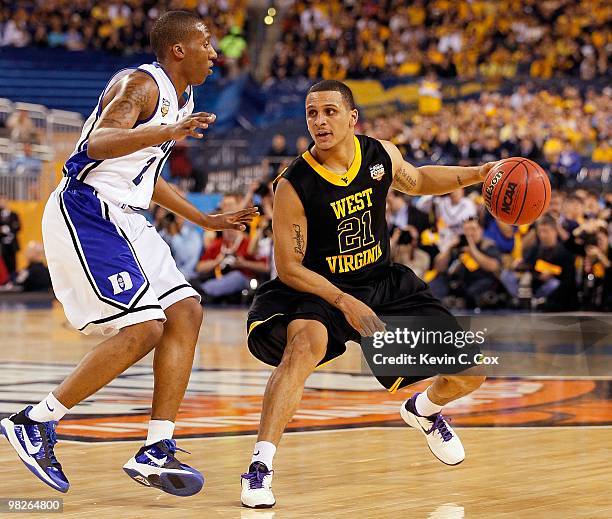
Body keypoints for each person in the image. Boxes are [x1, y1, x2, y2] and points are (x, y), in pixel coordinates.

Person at [0, 11, 257, 497]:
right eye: (207, 43)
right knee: (145, 327)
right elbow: (98, 143)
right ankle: (35, 421)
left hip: (128, 215)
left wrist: (205, 220)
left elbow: (146, 175)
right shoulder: (142, 84)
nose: (215, 52)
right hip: (89, 208)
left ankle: (155, 448)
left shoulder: (184, 97)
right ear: (179, 49)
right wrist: (166, 132)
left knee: (186, 311)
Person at [241, 80, 496, 508]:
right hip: (319, 289)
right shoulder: (293, 183)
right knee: (304, 345)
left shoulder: (380, 154)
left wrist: (475, 175)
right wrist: (343, 301)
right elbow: (289, 266)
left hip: (382, 282)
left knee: (472, 371)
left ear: (352, 117)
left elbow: (416, 180)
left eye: (329, 112)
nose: (319, 121)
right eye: (312, 113)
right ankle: (259, 467)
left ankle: (425, 410)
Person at [0, 193, 21, 279]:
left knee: (13, 261)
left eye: (4, 200)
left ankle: (13, 279)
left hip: (12, 244)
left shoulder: (14, 214)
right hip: (2, 244)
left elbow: (18, 227)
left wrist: (10, 230)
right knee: (3, 262)